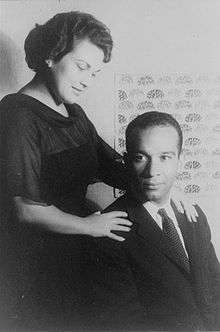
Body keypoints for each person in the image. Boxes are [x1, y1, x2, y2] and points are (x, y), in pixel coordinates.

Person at [0, 11, 197, 329]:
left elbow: (118, 169)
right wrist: (89, 226)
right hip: (36, 262)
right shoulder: (17, 114)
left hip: (79, 249)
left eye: (95, 73)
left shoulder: (74, 114)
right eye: (82, 67)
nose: (87, 81)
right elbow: (26, 210)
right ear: (51, 55)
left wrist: (173, 194)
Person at [73, 111, 220, 331]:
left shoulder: (193, 215)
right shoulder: (112, 231)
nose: (153, 172)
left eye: (165, 157)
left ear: (180, 161)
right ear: (126, 160)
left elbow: (214, 288)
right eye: (141, 157)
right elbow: (124, 323)